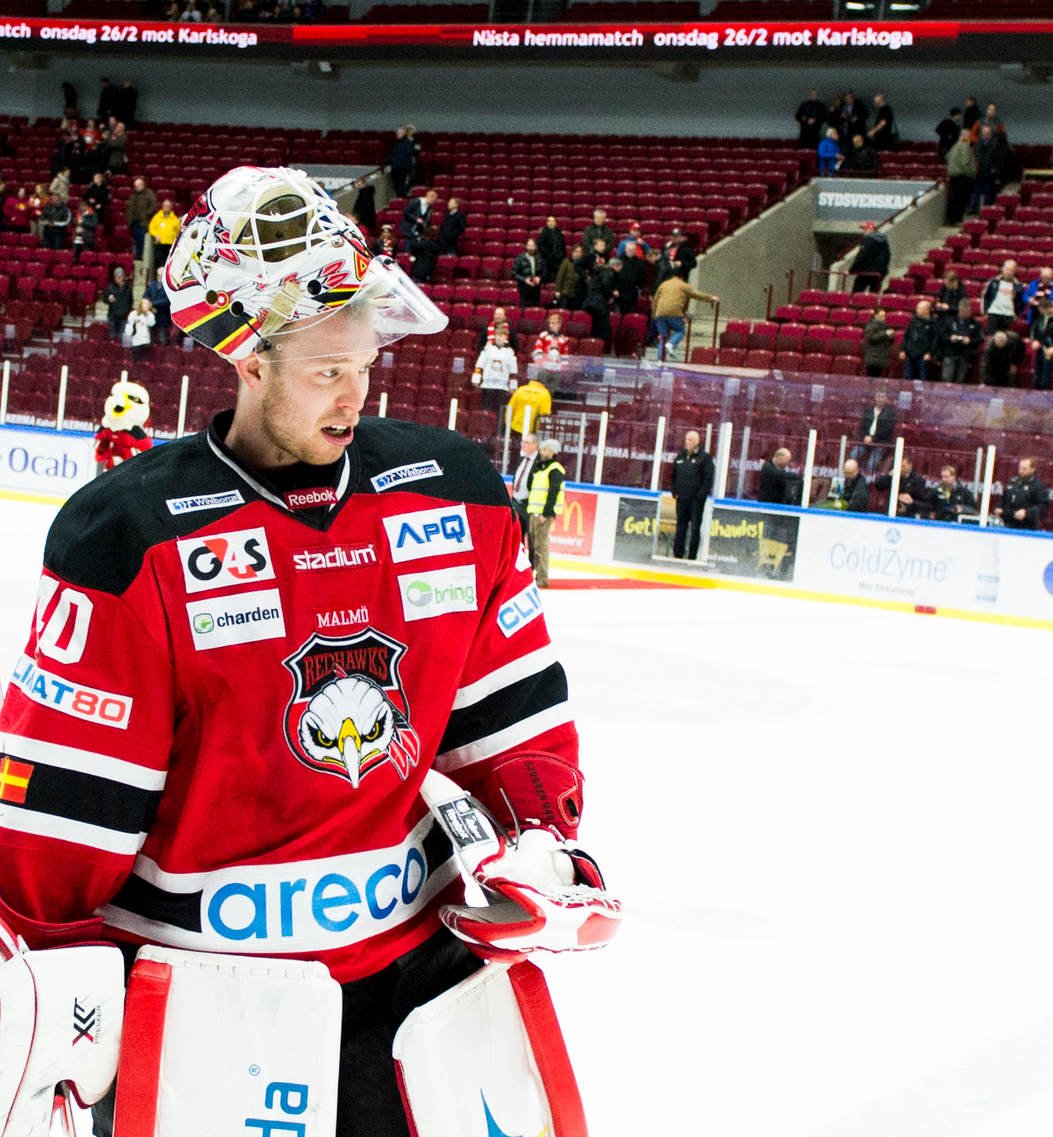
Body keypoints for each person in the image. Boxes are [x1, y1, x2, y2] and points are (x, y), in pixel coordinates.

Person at [0, 165, 611, 1137]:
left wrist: (541, 838)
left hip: (418, 999)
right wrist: (50, 1012)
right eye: (327, 370)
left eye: (366, 362)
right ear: (247, 360)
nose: (355, 392)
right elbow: (53, 846)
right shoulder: (129, 540)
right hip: (201, 1013)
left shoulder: (451, 494)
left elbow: (515, 720)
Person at [525, 436, 566, 588]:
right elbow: (531, 486)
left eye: (545, 449)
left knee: (541, 546)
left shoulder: (555, 469)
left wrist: (546, 513)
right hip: (533, 511)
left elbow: (553, 492)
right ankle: (534, 575)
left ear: (552, 452)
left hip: (542, 514)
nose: (542, 451)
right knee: (534, 546)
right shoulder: (541, 468)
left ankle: (542, 577)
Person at [652, 273, 716, 362]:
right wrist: (711, 298)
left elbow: (655, 299)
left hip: (660, 313)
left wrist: (654, 315)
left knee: (663, 337)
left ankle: (660, 360)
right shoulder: (683, 285)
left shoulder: (664, 284)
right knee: (680, 330)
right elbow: (696, 294)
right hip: (673, 312)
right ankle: (671, 344)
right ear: (681, 277)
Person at [671, 428, 714, 558]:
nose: (686, 442)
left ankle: (692, 556)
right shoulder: (680, 456)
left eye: (689, 440)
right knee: (680, 528)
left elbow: (708, 479)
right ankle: (677, 555)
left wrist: (700, 496)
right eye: (686, 439)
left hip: (696, 501)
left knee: (695, 528)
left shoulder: (705, 458)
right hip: (682, 499)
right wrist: (674, 490)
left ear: (696, 441)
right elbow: (673, 474)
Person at [469, 326, 517, 417]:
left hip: (502, 386)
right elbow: (479, 365)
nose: (499, 338)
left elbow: (513, 371)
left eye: (501, 336)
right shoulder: (488, 350)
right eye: (497, 335)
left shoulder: (509, 353)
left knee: (499, 411)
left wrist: (513, 386)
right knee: (486, 408)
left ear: (505, 337)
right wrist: (476, 379)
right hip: (488, 385)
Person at [1027, 294, 1053, 391]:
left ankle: (1045, 394)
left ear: (1048, 308)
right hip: (1041, 350)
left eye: (1042, 310)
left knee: (1046, 376)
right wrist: (1034, 341)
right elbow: (1035, 331)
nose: (1041, 312)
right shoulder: (1041, 318)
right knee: (1037, 375)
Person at [939, 298, 983, 383]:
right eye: (964, 310)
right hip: (950, 353)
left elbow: (980, 339)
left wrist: (970, 341)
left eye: (968, 310)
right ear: (960, 310)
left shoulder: (975, 323)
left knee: (960, 381)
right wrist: (950, 338)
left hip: (965, 355)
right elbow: (941, 335)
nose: (967, 312)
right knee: (947, 379)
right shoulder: (949, 321)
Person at [854, 390, 896, 473]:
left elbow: (886, 430)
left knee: (871, 464)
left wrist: (872, 438)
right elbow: (862, 427)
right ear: (875, 398)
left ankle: (868, 481)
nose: (880, 399)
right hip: (866, 441)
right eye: (878, 396)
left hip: (880, 443)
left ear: (886, 399)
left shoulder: (890, 413)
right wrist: (865, 437)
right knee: (853, 454)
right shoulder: (868, 411)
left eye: (882, 397)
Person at [1000, 457, 1048, 529]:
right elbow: (1004, 499)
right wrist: (999, 508)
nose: (1021, 471)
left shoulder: (1038, 486)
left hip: (1027, 528)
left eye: (1024, 469)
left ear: (1032, 469)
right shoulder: (1013, 482)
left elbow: (1043, 506)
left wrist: (1027, 513)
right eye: (1020, 468)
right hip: (1008, 525)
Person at [901, 299, 940, 381]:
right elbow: (906, 336)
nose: (917, 310)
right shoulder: (913, 320)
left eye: (919, 308)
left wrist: (930, 353)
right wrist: (903, 350)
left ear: (926, 310)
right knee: (907, 378)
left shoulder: (933, 323)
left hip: (923, 356)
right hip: (910, 354)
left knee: (922, 379)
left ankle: (920, 394)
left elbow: (935, 340)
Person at [979, 259, 1021, 335]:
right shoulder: (993, 281)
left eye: (1011, 270)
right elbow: (984, 296)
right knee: (992, 339)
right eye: (1007, 269)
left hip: (1009, 316)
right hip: (993, 314)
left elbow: (1021, 302)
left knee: (1006, 340)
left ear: (1014, 271)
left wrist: (1017, 314)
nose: (1009, 272)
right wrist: (985, 312)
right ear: (1002, 269)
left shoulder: (1018, 285)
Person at [847, 220, 889, 293]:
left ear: (870, 229)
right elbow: (887, 257)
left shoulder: (868, 239)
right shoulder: (884, 242)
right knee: (873, 295)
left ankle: (855, 304)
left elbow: (861, 256)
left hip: (866, 272)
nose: (863, 231)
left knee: (856, 293)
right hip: (879, 274)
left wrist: (851, 270)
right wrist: (882, 272)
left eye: (865, 229)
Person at [506, 374, 553, 439]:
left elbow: (510, 407)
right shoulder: (545, 393)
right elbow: (544, 412)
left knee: (516, 445)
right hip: (532, 427)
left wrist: (507, 423)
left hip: (515, 425)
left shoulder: (520, 390)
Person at [101, 264, 132, 343]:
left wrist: (127, 312)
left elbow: (130, 301)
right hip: (112, 316)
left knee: (120, 337)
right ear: (114, 278)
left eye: (120, 277)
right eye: (117, 277)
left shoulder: (128, 288)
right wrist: (108, 299)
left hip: (123, 316)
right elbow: (104, 299)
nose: (119, 279)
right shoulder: (110, 287)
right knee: (111, 337)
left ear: (123, 277)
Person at [145, 197, 180, 266]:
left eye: (168, 206)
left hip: (170, 245)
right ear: (162, 206)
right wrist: (156, 235)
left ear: (171, 207)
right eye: (165, 206)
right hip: (159, 244)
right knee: (158, 263)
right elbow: (151, 228)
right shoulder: (157, 217)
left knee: (168, 263)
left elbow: (178, 231)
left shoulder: (175, 219)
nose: (166, 207)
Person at [862, 308, 894, 378]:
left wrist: (891, 337)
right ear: (876, 316)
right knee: (871, 379)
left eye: (884, 316)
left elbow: (890, 342)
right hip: (873, 357)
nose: (884, 318)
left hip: (882, 357)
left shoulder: (885, 326)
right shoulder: (871, 325)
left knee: (878, 379)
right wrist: (885, 333)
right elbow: (871, 338)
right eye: (881, 316)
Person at [512, 237, 544, 307]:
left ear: (535, 247)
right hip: (524, 289)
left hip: (536, 289)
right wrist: (525, 280)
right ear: (526, 246)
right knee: (524, 308)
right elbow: (514, 273)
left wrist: (540, 278)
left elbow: (545, 272)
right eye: (529, 246)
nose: (531, 248)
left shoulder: (540, 258)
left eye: (532, 246)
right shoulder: (520, 258)